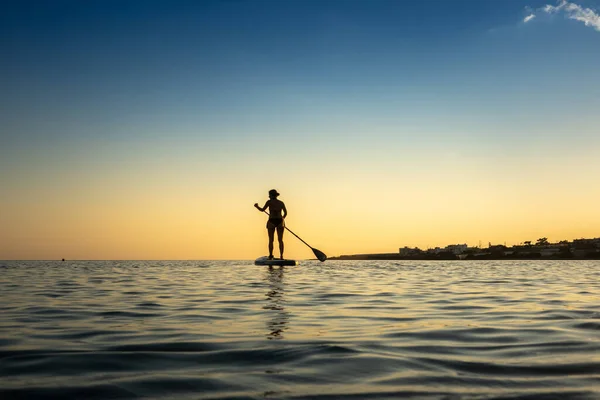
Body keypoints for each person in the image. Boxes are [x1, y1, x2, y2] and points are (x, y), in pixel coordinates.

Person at [254, 189, 287, 260]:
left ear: (272, 195)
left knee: (271, 240)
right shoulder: (281, 203)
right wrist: (282, 220)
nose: (269, 197)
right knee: (280, 240)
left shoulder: (269, 202)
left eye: (270, 195)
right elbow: (285, 213)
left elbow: (262, 210)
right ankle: (281, 256)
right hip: (280, 221)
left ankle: (271, 255)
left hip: (272, 221)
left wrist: (257, 206)